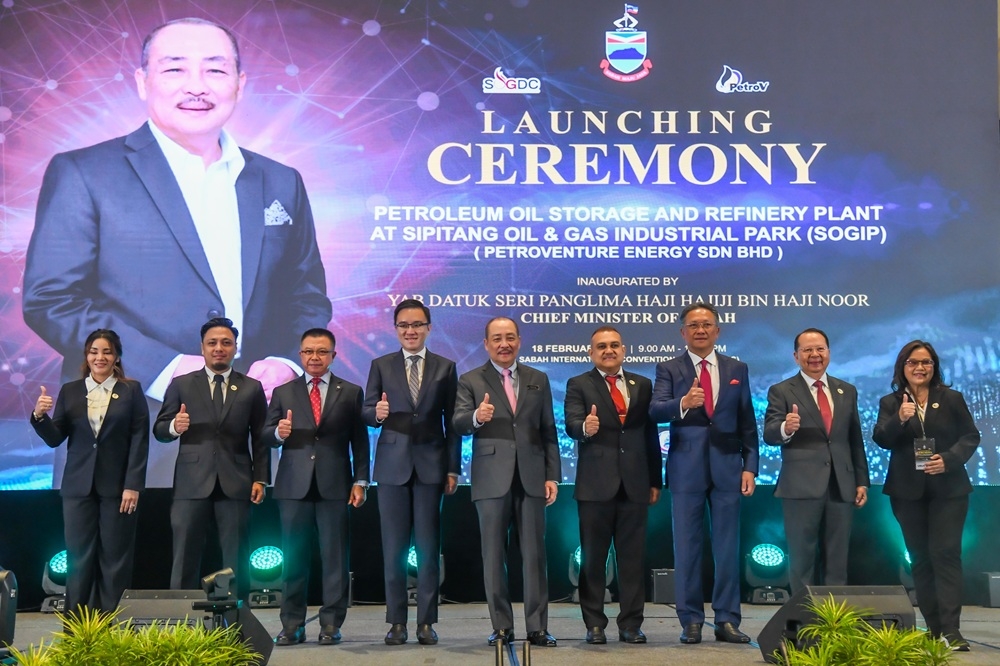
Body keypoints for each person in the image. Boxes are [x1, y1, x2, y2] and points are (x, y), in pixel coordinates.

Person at [23, 17, 330, 486]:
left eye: (215, 70)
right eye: (174, 70)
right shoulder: (84, 172)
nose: (196, 87)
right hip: (126, 427)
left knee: (248, 557)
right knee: (121, 557)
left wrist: (287, 360)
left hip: (256, 429)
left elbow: (307, 295)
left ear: (239, 84)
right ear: (143, 81)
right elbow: (52, 300)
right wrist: (166, 369)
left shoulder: (280, 180)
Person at [648, 302, 759, 645]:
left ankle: (727, 620)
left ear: (717, 331)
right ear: (683, 332)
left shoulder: (736, 367)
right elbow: (654, 410)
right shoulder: (669, 368)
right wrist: (684, 403)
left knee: (727, 548)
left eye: (706, 324)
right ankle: (691, 620)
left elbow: (747, 423)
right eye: (693, 325)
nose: (700, 330)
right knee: (688, 548)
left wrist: (751, 467)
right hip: (686, 469)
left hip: (728, 468)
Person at [453, 317, 561, 647]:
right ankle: (501, 626)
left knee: (535, 556)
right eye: (497, 338)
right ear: (486, 344)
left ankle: (537, 627)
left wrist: (552, 475)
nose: (504, 344)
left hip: (531, 478)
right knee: (492, 555)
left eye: (510, 337)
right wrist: (476, 418)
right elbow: (458, 423)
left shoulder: (537, 379)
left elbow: (548, 432)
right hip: (491, 479)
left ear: (519, 341)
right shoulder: (470, 380)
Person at [30, 329, 149, 614]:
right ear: (86, 355)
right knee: (79, 558)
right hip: (77, 488)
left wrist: (133, 484)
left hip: (119, 489)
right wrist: (39, 416)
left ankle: (113, 626)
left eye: (107, 351)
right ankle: (77, 628)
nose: (100, 357)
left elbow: (139, 439)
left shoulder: (131, 390)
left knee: (115, 559)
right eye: (94, 351)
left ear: (116, 356)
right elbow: (56, 437)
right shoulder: (71, 391)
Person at [362, 300, 460, 646]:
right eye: (404, 325)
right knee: (394, 549)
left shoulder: (446, 367)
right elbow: (366, 410)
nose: (411, 331)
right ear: (396, 329)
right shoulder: (381, 364)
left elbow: (453, 422)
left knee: (429, 549)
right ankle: (397, 622)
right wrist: (377, 412)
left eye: (417, 324)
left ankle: (426, 623)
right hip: (392, 467)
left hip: (432, 467)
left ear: (429, 328)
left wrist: (453, 468)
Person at [872, 340, 980, 651]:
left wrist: (949, 458)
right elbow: (882, 438)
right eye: (913, 363)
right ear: (902, 368)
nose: (920, 368)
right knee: (919, 559)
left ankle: (952, 629)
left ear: (934, 367)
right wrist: (901, 419)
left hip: (949, 490)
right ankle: (934, 629)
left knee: (945, 554)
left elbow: (971, 436)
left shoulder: (951, 398)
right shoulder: (891, 402)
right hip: (907, 492)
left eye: (926, 362)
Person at [265, 328, 369, 646]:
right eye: (309, 351)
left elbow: (359, 441)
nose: (314, 357)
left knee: (335, 559)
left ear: (333, 356)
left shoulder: (350, 391)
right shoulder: (284, 392)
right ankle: (292, 624)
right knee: (294, 559)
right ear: (300, 355)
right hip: (293, 485)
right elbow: (265, 433)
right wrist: (279, 434)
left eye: (322, 352)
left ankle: (330, 624)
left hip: (335, 484)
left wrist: (361, 479)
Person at [152, 317, 269, 601]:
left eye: (226, 343)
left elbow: (261, 437)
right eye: (213, 343)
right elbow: (160, 429)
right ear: (202, 348)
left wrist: (260, 478)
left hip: (237, 481)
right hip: (191, 483)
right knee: (184, 557)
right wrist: (173, 427)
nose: (219, 348)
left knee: (236, 557)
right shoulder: (181, 384)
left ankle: (237, 622)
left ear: (235, 348)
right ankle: (179, 628)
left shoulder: (251, 387)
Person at [564, 326, 663, 645]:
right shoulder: (579, 384)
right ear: (591, 353)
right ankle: (594, 623)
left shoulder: (643, 384)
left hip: (635, 484)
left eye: (615, 345)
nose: (609, 350)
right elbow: (571, 425)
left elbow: (650, 436)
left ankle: (631, 624)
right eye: (602, 346)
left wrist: (654, 480)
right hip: (595, 486)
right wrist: (584, 427)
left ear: (623, 350)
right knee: (593, 558)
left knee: (633, 558)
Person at [763, 328, 870, 594]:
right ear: (796, 355)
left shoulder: (847, 391)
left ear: (829, 353)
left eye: (820, 349)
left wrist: (861, 481)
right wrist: (786, 428)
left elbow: (854, 439)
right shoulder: (781, 391)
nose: (814, 355)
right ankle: (803, 625)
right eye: (807, 350)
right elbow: (769, 433)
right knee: (802, 562)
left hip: (841, 485)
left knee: (837, 562)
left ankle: (835, 624)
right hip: (801, 488)